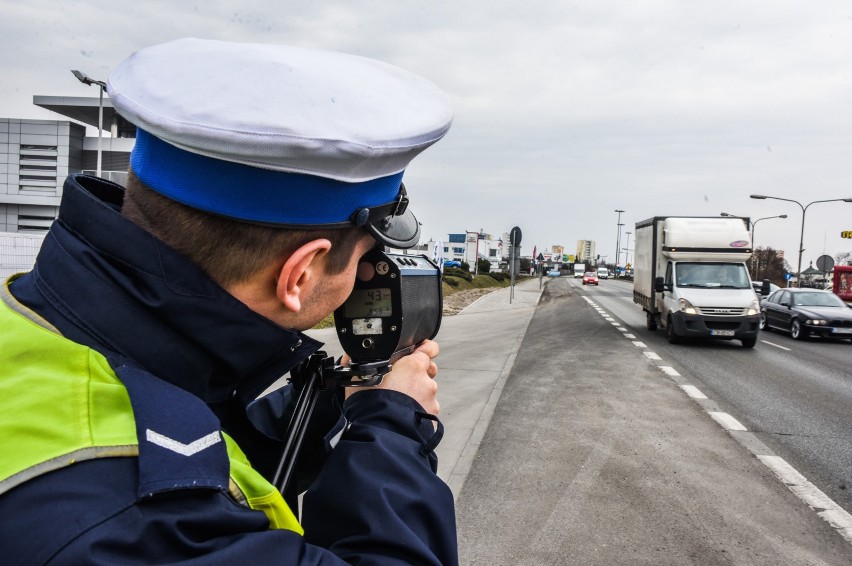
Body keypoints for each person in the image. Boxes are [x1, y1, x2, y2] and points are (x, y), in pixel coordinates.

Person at [0, 39, 457, 565]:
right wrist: (392, 428)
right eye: (362, 259)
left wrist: (331, 399)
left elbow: (188, 428)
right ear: (301, 273)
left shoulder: (34, 318)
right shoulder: (137, 525)